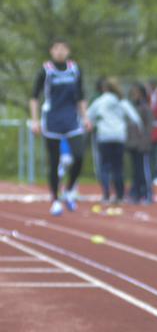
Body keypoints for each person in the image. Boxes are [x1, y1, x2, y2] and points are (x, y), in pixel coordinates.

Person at [28, 38, 92, 216]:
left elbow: (81, 96)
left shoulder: (75, 69)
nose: (60, 52)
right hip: (52, 120)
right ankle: (55, 200)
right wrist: (35, 121)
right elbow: (34, 97)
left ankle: (69, 189)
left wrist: (85, 117)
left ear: (68, 51)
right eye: (56, 48)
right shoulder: (45, 71)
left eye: (63, 48)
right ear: (51, 51)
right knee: (54, 161)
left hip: (71, 119)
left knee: (79, 155)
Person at [87, 78, 137, 205]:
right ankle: (120, 195)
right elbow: (135, 118)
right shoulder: (122, 101)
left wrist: (95, 123)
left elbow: (88, 116)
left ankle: (106, 195)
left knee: (104, 167)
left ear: (104, 88)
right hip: (119, 136)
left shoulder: (100, 101)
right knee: (118, 167)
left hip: (104, 136)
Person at [125, 84, 155, 204]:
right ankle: (136, 194)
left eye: (136, 93)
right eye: (132, 93)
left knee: (144, 170)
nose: (134, 96)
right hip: (132, 145)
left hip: (142, 146)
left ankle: (148, 194)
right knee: (135, 171)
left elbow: (148, 127)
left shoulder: (145, 108)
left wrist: (144, 142)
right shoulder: (130, 108)